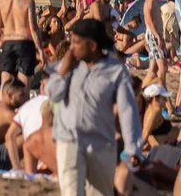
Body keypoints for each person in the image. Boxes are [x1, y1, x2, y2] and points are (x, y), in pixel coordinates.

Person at [46, 17, 143, 196]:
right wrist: (64, 69)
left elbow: (127, 110)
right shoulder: (69, 64)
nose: (71, 47)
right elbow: (53, 95)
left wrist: (133, 149)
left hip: (101, 144)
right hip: (69, 140)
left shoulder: (116, 70)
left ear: (92, 45)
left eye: (76, 42)